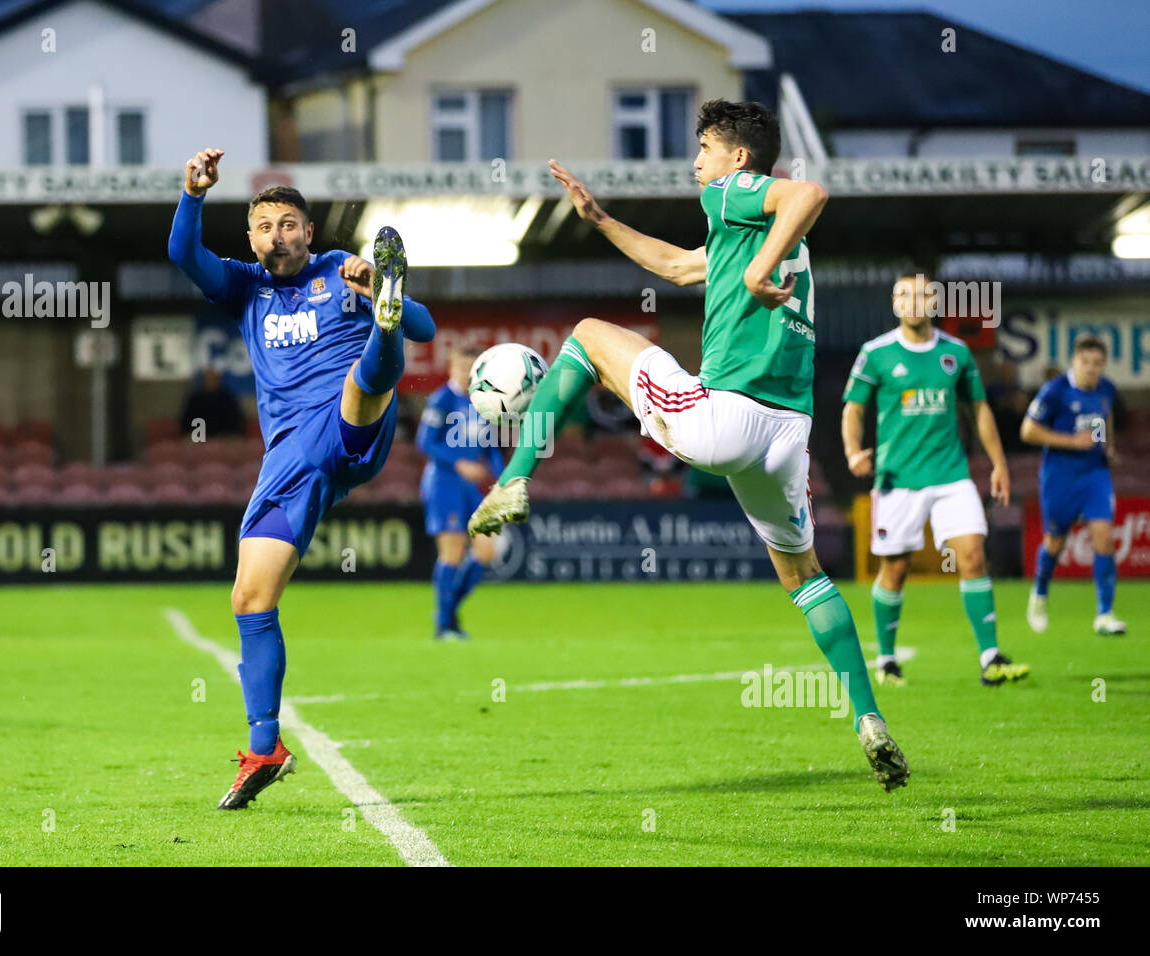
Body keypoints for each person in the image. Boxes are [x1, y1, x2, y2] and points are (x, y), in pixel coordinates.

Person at [468, 99, 910, 793]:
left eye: (705, 146)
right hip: (786, 434)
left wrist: (760, 270)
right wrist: (602, 220)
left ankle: (514, 477)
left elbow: (812, 190)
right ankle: (870, 719)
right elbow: (678, 269)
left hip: (725, 415)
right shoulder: (764, 233)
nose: (696, 161)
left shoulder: (731, 193)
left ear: (739, 158)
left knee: (585, 334)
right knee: (805, 577)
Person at [168, 147, 436, 808]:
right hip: (290, 461)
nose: (276, 236)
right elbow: (183, 255)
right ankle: (265, 747)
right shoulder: (242, 286)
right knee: (249, 599)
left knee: (364, 377)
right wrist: (193, 196)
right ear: (252, 238)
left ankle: (382, 328)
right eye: (264, 227)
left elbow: (428, 328)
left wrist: (376, 287)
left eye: (288, 225)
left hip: (352, 426)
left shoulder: (342, 270)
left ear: (308, 232)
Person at [842, 271, 1030, 688]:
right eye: (906, 295)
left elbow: (979, 410)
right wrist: (854, 451)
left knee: (973, 554)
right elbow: (853, 409)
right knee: (895, 568)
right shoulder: (876, 353)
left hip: (950, 475)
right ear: (895, 303)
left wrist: (998, 463)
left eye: (924, 294)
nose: (915, 301)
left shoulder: (957, 353)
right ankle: (887, 659)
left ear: (935, 302)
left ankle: (990, 657)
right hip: (898, 480)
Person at [1022, 335, 1126, 635]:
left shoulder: (1106, 388)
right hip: (1060, 475)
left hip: (1095, 473)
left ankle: (1104, 614)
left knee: (1104, 538)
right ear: (1074, 361)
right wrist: (1070, 441)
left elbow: (1107, 417)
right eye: (1086, 362)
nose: (1092, 369)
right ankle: (1039, 594)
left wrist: (1109, 445)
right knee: (1055, 542)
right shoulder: (1056, 391)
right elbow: (1028, 430)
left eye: (1097, 363)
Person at [416, 346, 502, 640]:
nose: (467, 372)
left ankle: (447, 611)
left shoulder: (484, 402)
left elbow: (491, 449)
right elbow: (425, 443)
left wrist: (504, 480)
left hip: (470, 488)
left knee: (487, 551)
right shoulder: (442, 399)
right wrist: (460, 464)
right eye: (462, 366)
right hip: (443, 483)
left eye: (472, 367)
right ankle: (444, 625)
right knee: (451, 553)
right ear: (452, 366)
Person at [179, 367, 245, 438]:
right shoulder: (195, 399)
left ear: (218, 380)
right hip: (199, 434)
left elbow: (237, 420)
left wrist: (226, 432)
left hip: (224, 435)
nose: (211, 381)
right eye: (208, 379)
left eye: (214, 378)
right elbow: (186, 421)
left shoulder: (228, 398)